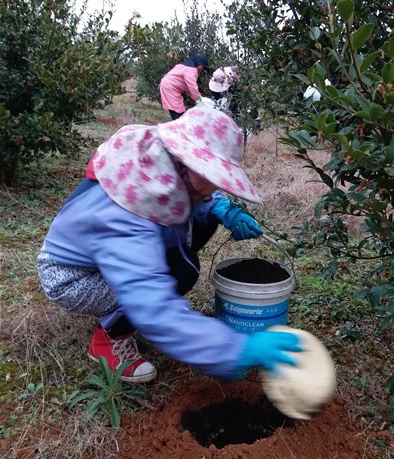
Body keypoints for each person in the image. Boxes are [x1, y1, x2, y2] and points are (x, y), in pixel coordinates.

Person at [36, 103, 302, 384]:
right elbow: (152, 305)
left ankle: (149, 290)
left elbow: (189, 193)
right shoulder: (130, 208)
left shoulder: (161, 158)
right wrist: (234, 350)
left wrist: (223, 209)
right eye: (211, 176)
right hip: (73, 277)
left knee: (206, 218)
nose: (216, 187)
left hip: (103, 253)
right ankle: (107, 340)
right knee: (181, 272)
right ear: (185, 162)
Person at [159, 54, 210, 120]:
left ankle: (179, 126)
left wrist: (197, 99)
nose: (202, 68)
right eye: (203, 66)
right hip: (170, 88)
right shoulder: (190, 70)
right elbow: (192, 87)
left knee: (179, 110)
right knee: (177, 112)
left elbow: (190, 89)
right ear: (199, 63)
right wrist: (200, 100)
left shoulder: (183, 66)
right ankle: (178, 127)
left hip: (169, 87)